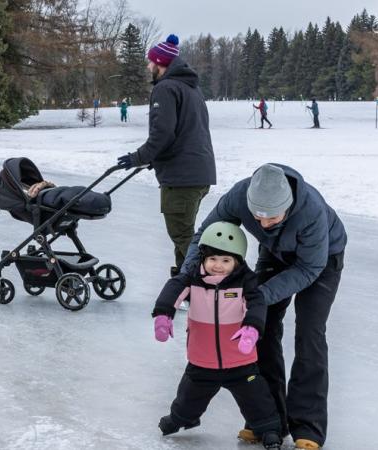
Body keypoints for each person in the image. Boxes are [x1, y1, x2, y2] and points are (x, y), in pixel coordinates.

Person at [181, 164, 347, 450]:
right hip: (275, 252)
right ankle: (268, 420)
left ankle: (308, 426)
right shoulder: (238, 195)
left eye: (272, 217)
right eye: (257, 217)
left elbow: (309, 268)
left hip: (322, 260)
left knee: (310, 334)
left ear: (288, 206)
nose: (263, 223)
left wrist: (258, 294)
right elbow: (204, 237)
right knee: (262, 327)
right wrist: (188, 279)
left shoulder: (311, 211)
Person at [152, 221, 283, 450]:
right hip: (202, 361)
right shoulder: (192, 278)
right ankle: (181, 419)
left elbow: (257, 304)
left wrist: (252, 328)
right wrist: (163, 316)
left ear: (237, 261)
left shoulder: (245, 282)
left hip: (240, 360)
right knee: (187, 399)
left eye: (226, 260)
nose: (218, 266)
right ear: (203, 258)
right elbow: (173, 289)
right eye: (212, 259)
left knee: (257, 400)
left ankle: (270, 429)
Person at [116, 34, 216, 278]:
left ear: (161, 64)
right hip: (198, 173)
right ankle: (186, 284)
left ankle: (214, 281)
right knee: (185, 233)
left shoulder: (165, 88)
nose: (149, 67)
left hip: (182, 179)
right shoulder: (191, 87)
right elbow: (183, 133)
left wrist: (137, 157)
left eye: (151, 62)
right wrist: (154, 159)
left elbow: (162, 135)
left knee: (183, 236)